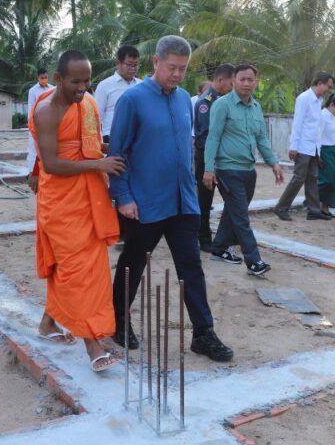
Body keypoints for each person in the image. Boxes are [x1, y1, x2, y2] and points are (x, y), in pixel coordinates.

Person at [109, 35, 234, 362]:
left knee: (191, 268)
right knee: (132, 264)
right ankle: (118, 321)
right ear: (156, 62)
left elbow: (185, 147)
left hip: (183, 202)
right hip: (144, 203)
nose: (177, 74)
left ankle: (203, 333)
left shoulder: (183, 101)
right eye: (172, 67)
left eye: (183, 69)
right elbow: (117, 153)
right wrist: (123, 196)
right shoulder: (132, 100)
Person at [31, 50, 125, 372]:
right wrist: (98, 164)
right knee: (76, 270)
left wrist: (107, 152)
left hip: (89, 196)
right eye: (76, 82)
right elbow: (51, 164)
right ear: (59, 79)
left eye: (87, 81)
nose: (83, 88)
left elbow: (90, 144)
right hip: (61, 202)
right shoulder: (46, 111)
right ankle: (93, 345)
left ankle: (48, 322)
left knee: (77, 269)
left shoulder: (88, 104)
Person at [203, 64, 284, 275]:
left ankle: (219, 248)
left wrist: (274, 163)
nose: (246, 83)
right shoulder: (222, 105)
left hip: (249, 171)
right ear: (233, 81)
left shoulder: (256, 107)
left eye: (250, 80)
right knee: (241, 217)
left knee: (233, 212)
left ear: (256, 83)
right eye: (242, 79)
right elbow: (213, 137)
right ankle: (254, 261)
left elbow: (261, 139)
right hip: (228, 170)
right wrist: (209, 169)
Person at [274, 72, 335, 222]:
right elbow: (298, 123)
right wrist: (293, 146)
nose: (329, 90)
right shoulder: (304, 98)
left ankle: (313, 211)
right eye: (328, 86)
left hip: (313, 147)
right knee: (299, 178)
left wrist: (318, 150)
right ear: (319, 83)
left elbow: (316, 127)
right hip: (302, 146)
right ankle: (281, 207)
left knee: (312, 178)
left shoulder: (318, 100)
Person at [192, 64, 235, 252]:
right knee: (205, 200)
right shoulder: (206, 101)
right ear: (220, 80)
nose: (233, 87)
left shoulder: (225, 100)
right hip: (206, 157)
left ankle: (229, 235)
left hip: (223, 157)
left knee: (232, 197)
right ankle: (204, 239)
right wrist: (211, 162)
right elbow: (205, 135)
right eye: (231, 83)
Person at [94, 45, 141, 144]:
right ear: (118, 63)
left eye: (136, 65)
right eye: (129, 64)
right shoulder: (104, 85)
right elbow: (97, 117)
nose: (133, 68)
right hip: (112, 137)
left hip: (138, 136)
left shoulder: (142, 85)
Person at [317, 94, 335, 217]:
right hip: (326, 150)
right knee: (327, 180)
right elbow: (318, 135)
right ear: (332, 104)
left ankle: (325, 208)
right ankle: (312, 201)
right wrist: (317, 153)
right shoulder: (323, 115)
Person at [25, 67, 55, 189]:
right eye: (42, 78)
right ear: (38, 78)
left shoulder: (53, 89)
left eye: (46, 77)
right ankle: (31, 172)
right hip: (36, 124)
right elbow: (31, 108)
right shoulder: (33, 91)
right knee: (33, 149)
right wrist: (32, 124)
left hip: (50, 123)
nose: (44, 79)